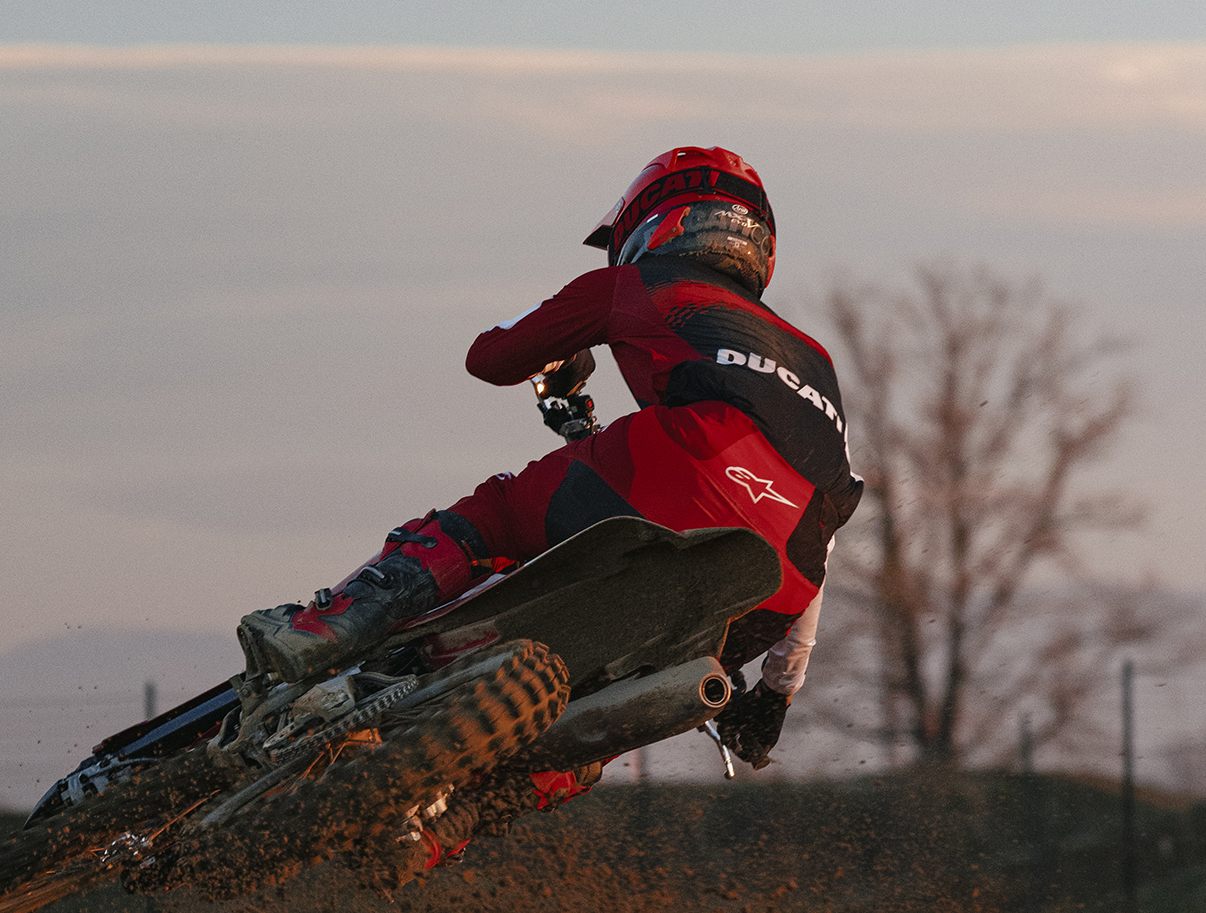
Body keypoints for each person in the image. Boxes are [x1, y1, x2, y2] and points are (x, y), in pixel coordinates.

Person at [236, 147, 863, 874]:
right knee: (602, 722)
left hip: (679, 473)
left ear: (655, 221)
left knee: (499, 510)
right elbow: (814, 533)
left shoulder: (636, 283)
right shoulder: (814, 360)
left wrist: (561, 351)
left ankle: (326, 628)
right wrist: (776, 696)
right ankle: (440, 831)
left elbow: (491, 357)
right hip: (781, 579)